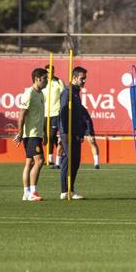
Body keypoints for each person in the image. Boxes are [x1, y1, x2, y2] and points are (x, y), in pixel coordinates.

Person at [13, 68, 48, 201]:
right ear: (37, 79)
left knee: (30, 162)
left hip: (37, 133)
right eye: (44, 79)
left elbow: (41, 116)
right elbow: (22, 114)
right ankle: (33, 192)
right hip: (31, 134)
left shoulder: (41, 94)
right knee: (40, 161)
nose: (46, 81)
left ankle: (26, 193)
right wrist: (20, 132)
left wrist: (44, 132)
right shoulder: (29, 93)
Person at [57, 66, 92, 199]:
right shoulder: (68, 92)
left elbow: (78, 115)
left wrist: (81, 132)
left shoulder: (76, 93)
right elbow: (63, 112)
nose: (84, 81)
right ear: (74, 78)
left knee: (75, 161)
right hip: (67, 132)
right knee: (69, 159)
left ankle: (70, 189)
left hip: (76, 132)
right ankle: (64, 191)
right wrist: (63, 132)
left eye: (85, 79)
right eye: (82, 78)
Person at [44, 75, 64, 168]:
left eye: (51, 71)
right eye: (47, 72)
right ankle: (50, 159)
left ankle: (61, 155)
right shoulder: (44, 82)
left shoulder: (58, 82)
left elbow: (63, 93)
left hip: (55, 112)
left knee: (52, 135)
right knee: (48, 137)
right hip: (45, 113)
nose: (49, 73)